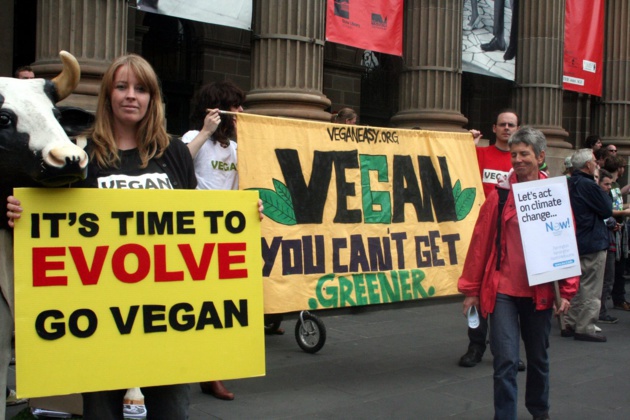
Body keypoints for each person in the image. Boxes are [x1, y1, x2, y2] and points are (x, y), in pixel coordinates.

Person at [9, 53, 197, 419]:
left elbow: (194, 222)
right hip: (99, 319)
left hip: (168, 316)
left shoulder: (174, 153)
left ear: (153, 98)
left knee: (173, 410)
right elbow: (55, 219)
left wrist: (242, 220)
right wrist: (22, 211)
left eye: (141, 89)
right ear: (108, 94)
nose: (131, 96)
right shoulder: (83, 152)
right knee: (101, 410)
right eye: (122, 87)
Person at [458, 126, 577, 420]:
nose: (518, 159)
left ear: (540, 156)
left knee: (537, 358)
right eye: (514, 154)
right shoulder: (498, 197)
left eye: (524, 153)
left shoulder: (554, 195)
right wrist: (471, 290)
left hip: (540, 291)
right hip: (503, 293)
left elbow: (565, 242)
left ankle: (539, 411)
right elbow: (479, 244)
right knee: (506, 360)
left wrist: (568, 291)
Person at [181, 80, 244, 401]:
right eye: (235, 107)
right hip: (193, 233)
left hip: (223, 234)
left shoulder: (234, 148)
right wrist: (205, 131)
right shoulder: (194, 139)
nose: (241, 112)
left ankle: (211, 373)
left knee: (218, 307)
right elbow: (176, 167)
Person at [460, 110, 525, 371]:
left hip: (510, 241)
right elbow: (459, 168)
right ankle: (475, 345)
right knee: (474, 292)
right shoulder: (480, 155)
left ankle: (506, 350)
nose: (507, 128)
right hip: (481, 236)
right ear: (494, 128)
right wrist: (466, 146)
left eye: (512, 125)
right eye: (503, 124)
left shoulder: (522, 161)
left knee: (507, 297)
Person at [562, 149, 612, 342]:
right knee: (591, 287)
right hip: (592, 239)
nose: (596, 164)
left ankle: (570, 321)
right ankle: (585, 326)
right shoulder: (588, 184)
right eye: (593, 161)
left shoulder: (570, 182)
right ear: (587, 165)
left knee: (576, 285)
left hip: (577, 238)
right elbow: (606, 209)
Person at [601, 156, 630, 311]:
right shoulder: (609, 187)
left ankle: (617, 299)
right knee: (610, 274)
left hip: (618, 226)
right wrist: (624, 211)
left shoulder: (616, 185)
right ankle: (604, 307)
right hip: (611, 229)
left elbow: (616, 204)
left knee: (616, 269)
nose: (608, 186)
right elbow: (607, 209)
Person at [597, 169, 619, 324]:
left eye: (610, 184)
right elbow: (605, 216)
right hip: (602, 242)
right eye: (606, 184)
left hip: (606, 241)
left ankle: (600, 310)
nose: (609, 187)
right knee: (605, 279)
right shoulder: (598, 197)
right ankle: (600, 311)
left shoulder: (604, 196)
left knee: (607, 279)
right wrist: (612, 222)